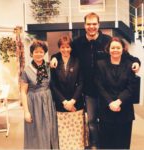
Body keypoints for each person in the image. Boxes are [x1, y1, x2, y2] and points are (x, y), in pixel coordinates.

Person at [50, 12, 140, 149]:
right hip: (89, 91)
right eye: (88, 24)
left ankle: (107, 143)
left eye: (94, 24)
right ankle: (95, 144)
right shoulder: (78, 43)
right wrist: (54, 57)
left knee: (106, 121)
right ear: (84, 25)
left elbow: (125, 54)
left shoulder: (107, 41)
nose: (91, 26)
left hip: (108, 91)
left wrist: (136, 61)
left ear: (99, 25)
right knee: (91, 121)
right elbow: (65, 50)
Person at [95, 37, 137, 149]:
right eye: (113, 47)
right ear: (108, 49)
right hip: (106, 109)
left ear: (123, 49)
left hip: (125, 110)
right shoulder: (100, 64)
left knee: (123, 143)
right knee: (106, 143)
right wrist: (110, 102)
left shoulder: (130, 65)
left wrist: (119, 101)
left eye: (118, 47)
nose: (115, 50)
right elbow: (99, 86)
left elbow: (131, 87)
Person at [21, 40, 59, 149]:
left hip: (48, 100)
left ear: (45, 53)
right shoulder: (27, 70)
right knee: (36, 129)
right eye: (36, 52)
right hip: (34, 102)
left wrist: (55, 58)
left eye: (41, 52)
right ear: (31, 53)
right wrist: (26, 112)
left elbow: (62, 55)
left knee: (50, 128)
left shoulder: (49, 66)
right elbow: (23, 92)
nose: (38, 54)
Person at [50, 35, 85, 150]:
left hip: (76, 104)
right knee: (64, 135)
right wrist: (65, 102)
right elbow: (53, 85)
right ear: (59, 48)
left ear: (71, 48)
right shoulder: (54, 62)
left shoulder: (78, 61)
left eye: (67, 47)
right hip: (61, 104)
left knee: (77, 134)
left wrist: (73, 101)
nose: (65, 49)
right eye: (62, 47)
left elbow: (81, 83)